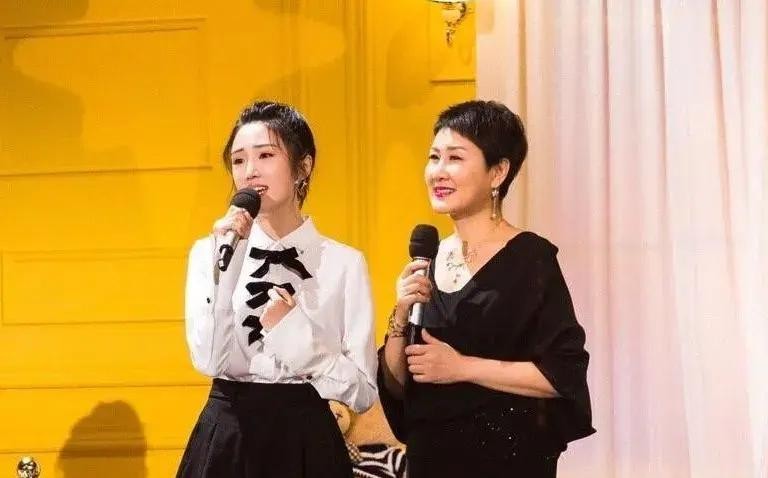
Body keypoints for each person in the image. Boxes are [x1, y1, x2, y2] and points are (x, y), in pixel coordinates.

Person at [378, 100, 595, 477]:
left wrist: (462, 367)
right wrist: (400, 312)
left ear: (498, 172)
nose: (438, 172)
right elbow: (398, 387)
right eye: (434, 157)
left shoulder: (531, 258)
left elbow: (562, 375)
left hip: (506, 460)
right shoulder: (428, 258)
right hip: (430, 459)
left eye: (455, 158)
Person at [177, 100, 377, 478]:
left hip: (307, 441)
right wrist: (227, 267)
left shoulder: (345, 263)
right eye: (238, 160)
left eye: (266, 155)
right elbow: (208, 361)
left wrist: (295, 337)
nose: (250, 171)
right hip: (228, 438)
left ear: (303, 167)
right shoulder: (210, 252)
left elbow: (363, 393)